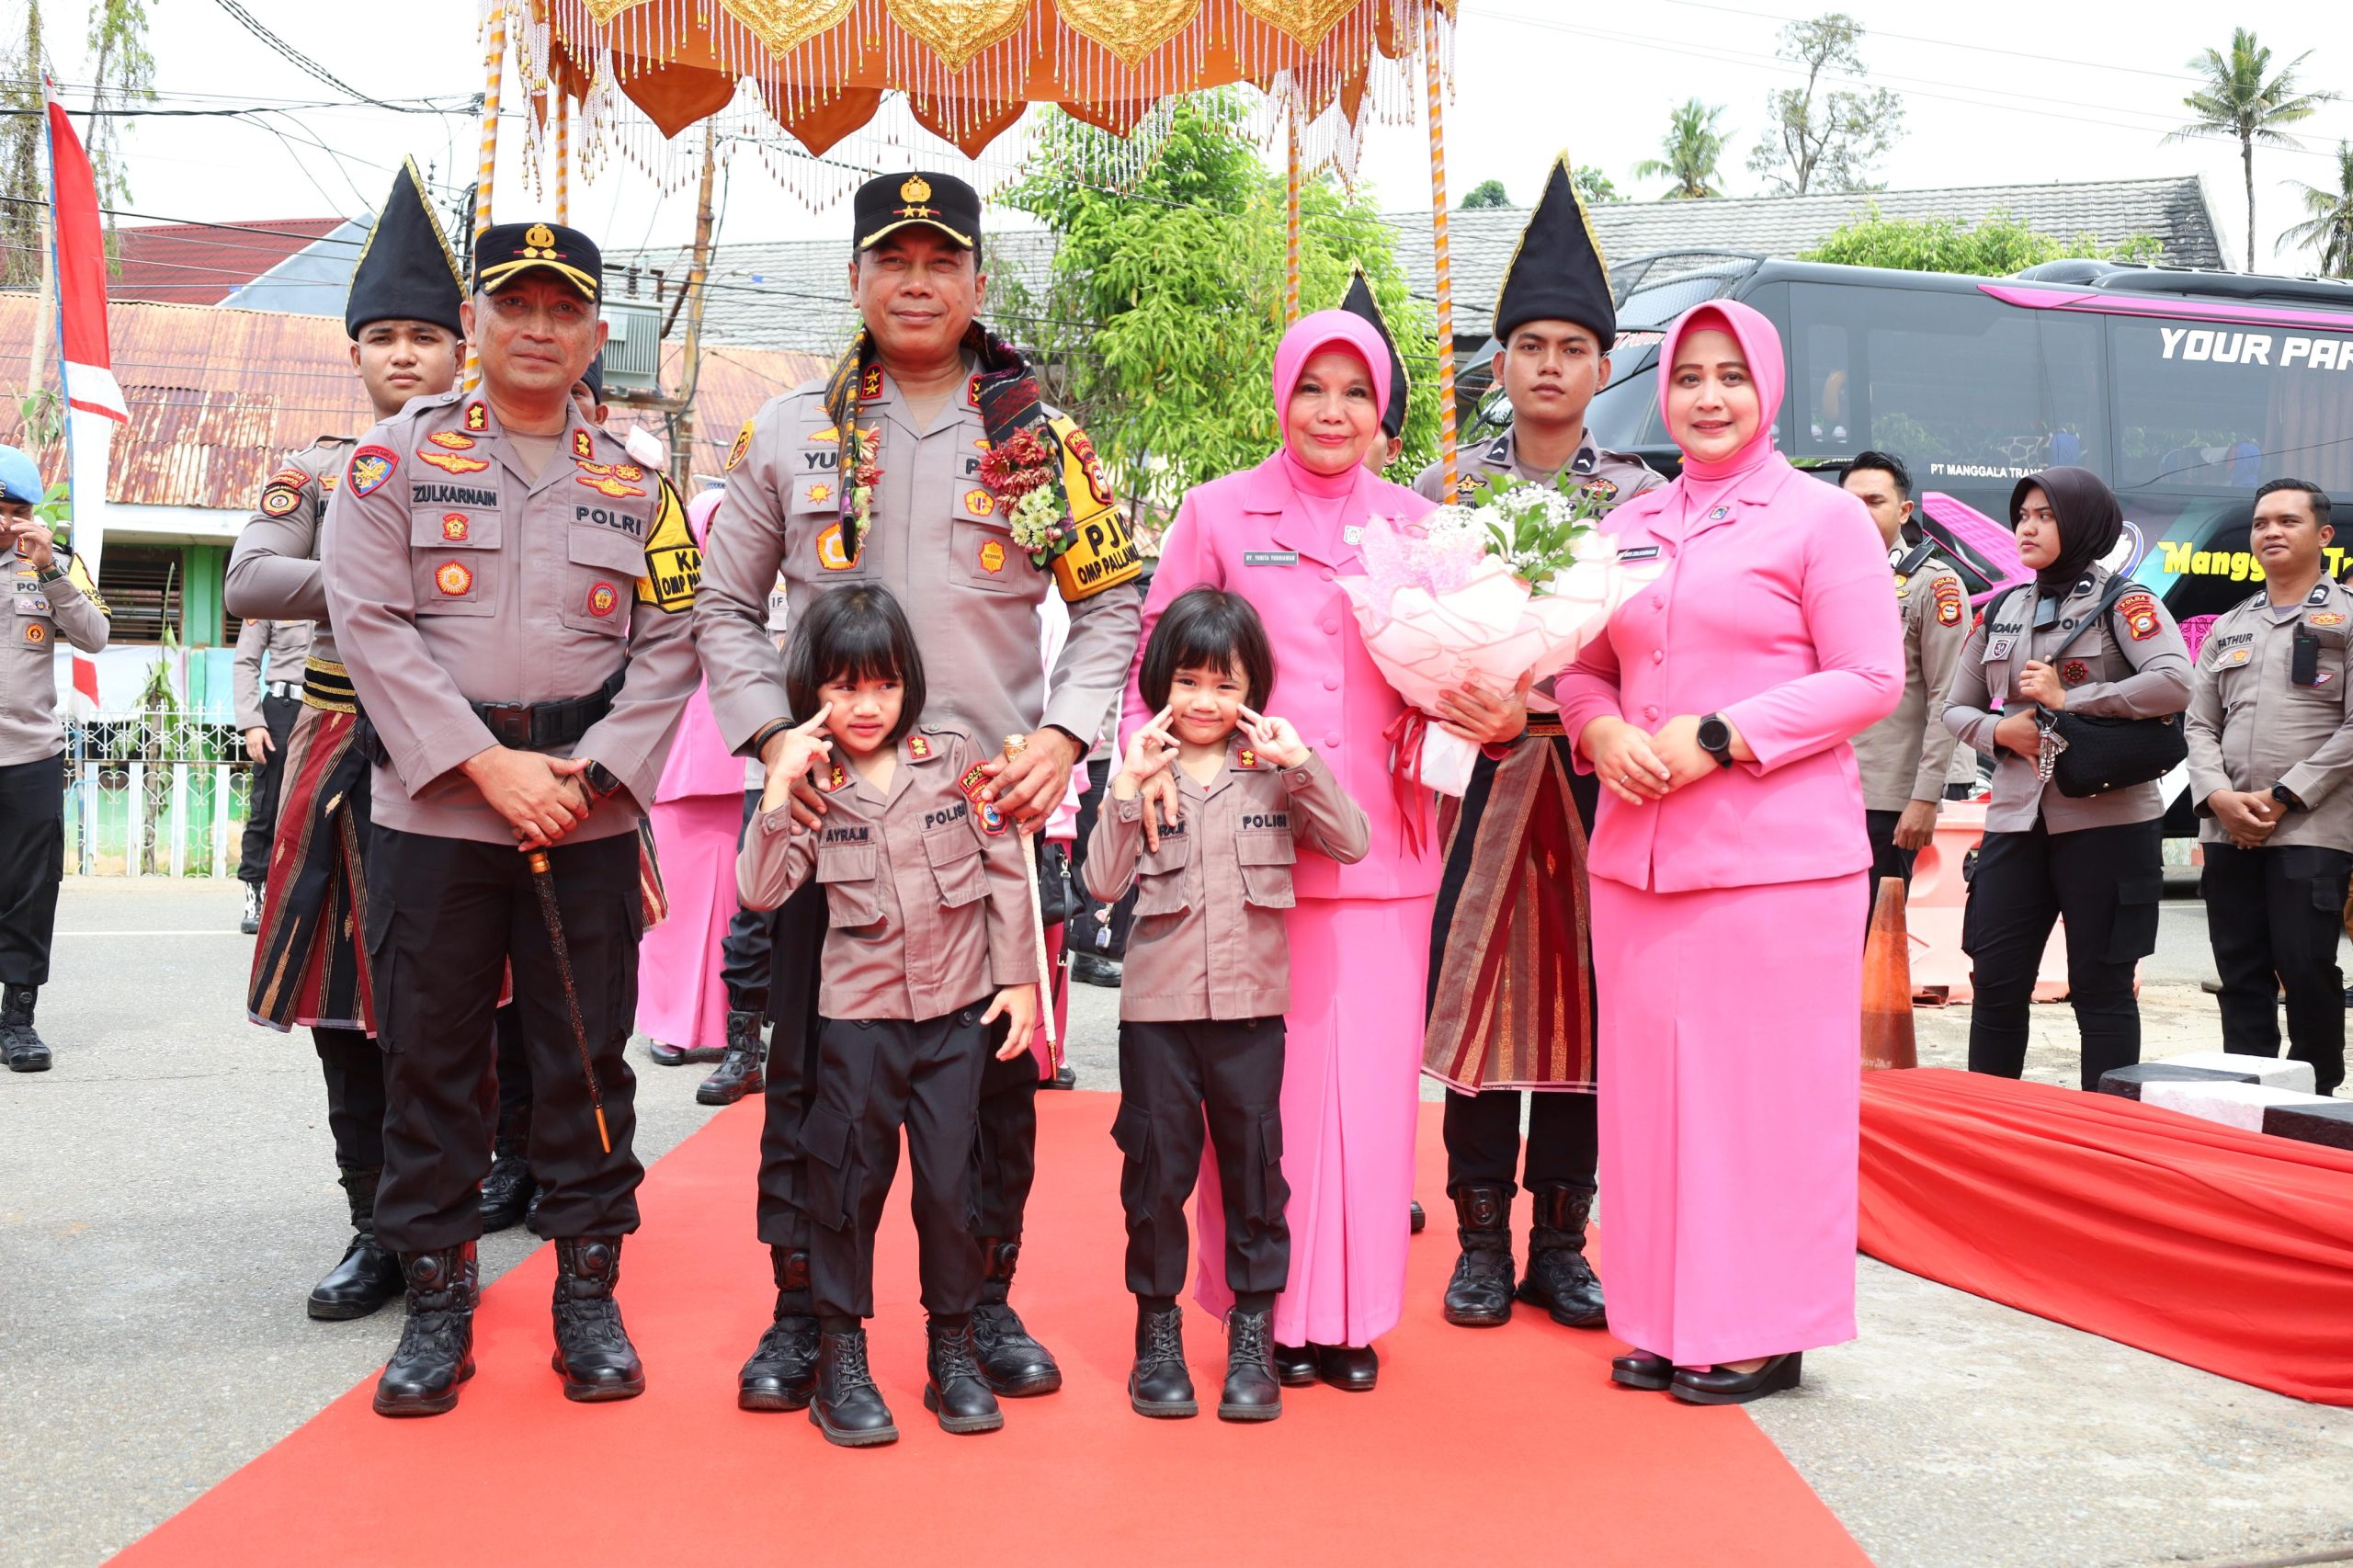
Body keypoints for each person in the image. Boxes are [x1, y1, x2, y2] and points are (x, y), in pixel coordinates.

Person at [697, 170, 1142, 1412]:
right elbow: (725, 608)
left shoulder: (1036, 441)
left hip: (987, 819)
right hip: (828, 814)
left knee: (995, 1088)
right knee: (809, 1087)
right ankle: (803, 1311)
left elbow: (1112, 604)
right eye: (890, 259)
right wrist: (771, 741)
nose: (915, 279)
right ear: (855, 279)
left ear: (977, 284)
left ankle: (982, 1301)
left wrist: (1065, 734)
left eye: (939, 259)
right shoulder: (792, 431)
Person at [324, 219, 701, 1417]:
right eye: (513, 306)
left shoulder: (641, 482)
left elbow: (677, 639)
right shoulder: (388, 465)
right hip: (438, 813)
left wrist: (588, 775)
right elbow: (370, 626)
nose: (538, 328)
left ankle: (588, 1294)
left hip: (585, 816)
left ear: (596, 333)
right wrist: (492, 769)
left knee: (584, 1063)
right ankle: (440, 1306)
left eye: (562, 310)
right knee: (430, 1063)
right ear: (474, 324)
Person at [1555, 299, 1902, 1404]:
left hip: (1776, 860)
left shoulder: (1820, 518)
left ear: (1768, 388)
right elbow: (1579, 666)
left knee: (1765, 1099)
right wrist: (1597, 726)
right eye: (1689, 377)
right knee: (1652, 1099)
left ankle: (1763, 1324)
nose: (1708, 397)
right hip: (1640, 857)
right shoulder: (1626, 524)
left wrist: (1720, 736)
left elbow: (1869, 677)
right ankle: (1664, 1314)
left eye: (1730, 377)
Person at [1128, 308, 1438, 1392]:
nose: (1333, 411)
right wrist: (1147, 767)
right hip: (1243, 853)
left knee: (1370, 1094)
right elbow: (1155, 657)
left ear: (1381, 408)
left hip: (1381, 845)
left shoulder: (1417, 522)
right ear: (1281, 395)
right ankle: (1267, 1308)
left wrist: (1479, 705)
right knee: (1263, 1097)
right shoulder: (1217, 511)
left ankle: (1349, 1315)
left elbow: (1451, 672)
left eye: (1357, 391)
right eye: (1315, 387)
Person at [1407, 153, 1664, 1332]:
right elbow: (1407, 633)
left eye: (1572, 348)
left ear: (1604, 367)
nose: (1550, 366)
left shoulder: (1644, 503)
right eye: (1530, 347)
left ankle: (1561, 1241)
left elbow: (1660, 655)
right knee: (1472, 1010)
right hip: (1475, 783)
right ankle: (1474, 1240)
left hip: (1600, 788)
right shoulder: (1441, 492)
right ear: (1498, 363)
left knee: (1589, 1012)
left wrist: (1554, 708)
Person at [223, 158, 462, 1314]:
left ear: (460, 351)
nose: (406, 354)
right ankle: (374, 1224)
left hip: (466, 749)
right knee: (342, 1007)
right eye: (386, 336)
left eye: (427, 334)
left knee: (471, 997)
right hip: (336, 746)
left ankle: (458, 1214)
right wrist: (376, 576)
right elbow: (249, 579)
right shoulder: (315, 465)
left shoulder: (492, 464)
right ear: (354, 352)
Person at [738, 584, 1039, 1447]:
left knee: (952, 1191)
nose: (864, 708)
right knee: (844, 1191)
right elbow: (761, 893)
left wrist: (1016, 980)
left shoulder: (957, 758)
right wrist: (777, 784)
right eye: (841, 689)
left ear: (908, 680)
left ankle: (952, 1351)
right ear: (812, 691)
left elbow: (1003, 872)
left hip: (953, 1020)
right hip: (859, 1027)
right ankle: (841, 1354)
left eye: (881, 687)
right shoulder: (811, 779)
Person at [1088, 588, 1370, 1423]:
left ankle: (1253, 1337)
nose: (1206, 702)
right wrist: (1127, 786)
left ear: (1253, 688)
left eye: (1226, 683)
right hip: (1157, 1019)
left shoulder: (1272, 770)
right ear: (1161, 683)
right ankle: (1158, 1336)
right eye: (1189, 681)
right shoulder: (1142, 768)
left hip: (1250, 1016)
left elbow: (1350, 842)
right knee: (1156, 1182)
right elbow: (1100, 886)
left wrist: (1301, 763)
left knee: (1255, 1179)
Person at [1941, 468, 2190, 1091]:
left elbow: (2175, 681)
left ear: (2083, 523)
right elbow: (1954, 706)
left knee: (2101, 987)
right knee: (1995, 981)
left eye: (2046, 515)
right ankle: (1991, 1125)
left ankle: (2105, 1139)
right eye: (2023, 514)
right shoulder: (2001, 609)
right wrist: (2001, 734)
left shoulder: (2127, 603)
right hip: (2014, 820)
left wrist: (2075, 698)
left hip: (2108, 822)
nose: (2028, 526)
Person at [2186, 478, 2352, 1096]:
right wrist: (2220, 799)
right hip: (2228, 828)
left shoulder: (2347, 620)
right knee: (2240, 972)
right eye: (2260, 524)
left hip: (2312, 828)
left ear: (2323, 535)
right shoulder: (2230, 626)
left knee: (2306, 968)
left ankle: (2314, 1099)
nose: (2271, 533)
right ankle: (2248, 1093)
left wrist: (2283, 796)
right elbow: (2200, 723)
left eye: (2287, 521)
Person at [0, 445, 108, 1074]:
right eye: (0, 509)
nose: (9, 523)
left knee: (30, 890)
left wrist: (50, 573)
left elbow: (96, 635)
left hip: (32, 755)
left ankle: (17, 1018)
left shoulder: (57, 562)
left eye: (20, 511)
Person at [637, 488, 744, 1069]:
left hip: (736, 764)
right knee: (671, 912)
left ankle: (728, 1025)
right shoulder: (664, 590)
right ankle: (668, 1023)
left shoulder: (754, 594)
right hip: (676, 763)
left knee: (730, 907)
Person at [1843, 450, 1966, 897]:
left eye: (1874, 501)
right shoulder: (1817, 577)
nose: (1860, 513)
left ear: (1904, 510)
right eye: (1851, 502)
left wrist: (1925, 798)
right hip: (1822, 790)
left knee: (1876, 935)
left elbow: (1947, 698)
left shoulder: (1932, 584)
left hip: (1886, 796)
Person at [231, 616, 309, 934]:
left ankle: (304, 895)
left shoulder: (338, 579)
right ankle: (256, 893)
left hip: (332, 707)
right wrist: (252, 722)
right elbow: (246, 662)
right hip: (283, 708)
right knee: (267, 805)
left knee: (322, 805)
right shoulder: (269, 593)